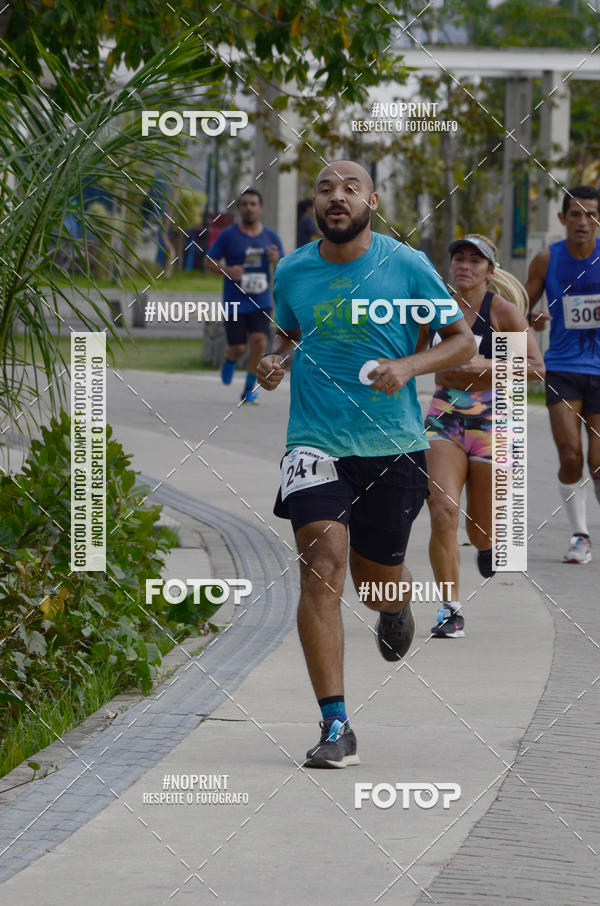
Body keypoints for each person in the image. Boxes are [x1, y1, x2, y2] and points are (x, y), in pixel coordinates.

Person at [256, 160, 475, 768]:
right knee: (320, 566)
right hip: (313, 442)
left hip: (392, 445)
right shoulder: (294, 270)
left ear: (371, 201)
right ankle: (335, 725)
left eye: (350, 188)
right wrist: (276, 361)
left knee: (377, 581)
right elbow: (288, 334)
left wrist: (407, 367)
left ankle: (395, 605)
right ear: (315, 204)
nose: (337, 196)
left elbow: (462, 340)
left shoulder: (405, 265)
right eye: (326, 188)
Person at [424, 235, 545, 639]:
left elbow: (534, 368)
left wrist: (484, 363)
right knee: (441, 509)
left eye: (476, 261)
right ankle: (451, 609)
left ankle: (486, 545)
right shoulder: (438, 309)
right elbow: (413, 354)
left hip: (493, 418)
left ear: (489, 271)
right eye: (459, 257)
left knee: (480, 528)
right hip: (445, 415)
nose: (466, 265)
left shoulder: (502, 312)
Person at [526, 185, 600, 564]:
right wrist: (532, 318)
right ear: (562, 219)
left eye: (591, 214)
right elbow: (517, 308)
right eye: (576, 213)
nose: (583, 221)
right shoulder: (546, 260)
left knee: (598, 461)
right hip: (563, 367)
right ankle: (580, 536)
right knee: (570, 455)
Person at [206, 189, 284, 403]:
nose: (249, 207)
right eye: (245, 204)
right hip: (234, 302)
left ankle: (249, 389)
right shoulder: (229, 236)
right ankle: (230, 359)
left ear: (260, 208)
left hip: (261, 300)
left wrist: (276, 258)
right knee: (239, 348)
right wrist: (228, 271)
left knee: (260, 341)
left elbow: (285, 267)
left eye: (253, 204)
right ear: (240, 208)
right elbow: (209, 261)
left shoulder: (270, 237)